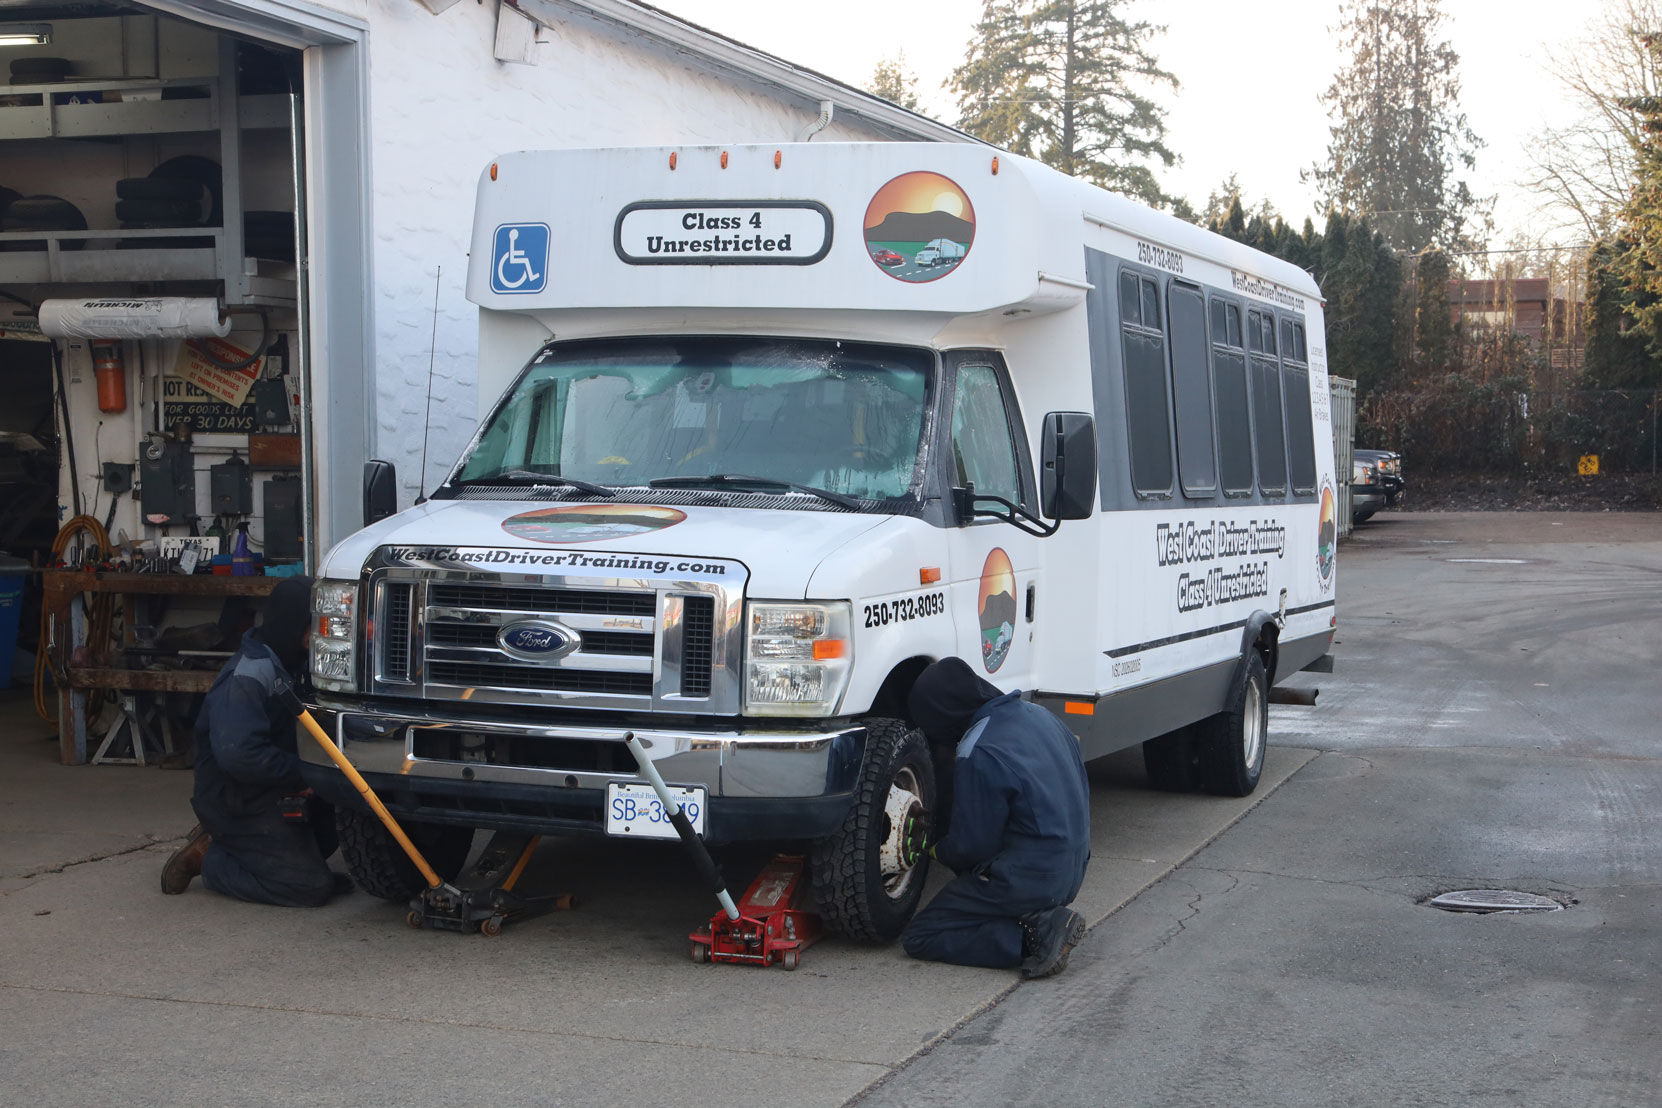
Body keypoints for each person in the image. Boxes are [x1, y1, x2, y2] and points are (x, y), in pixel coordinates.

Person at [160, 575, 348, 906]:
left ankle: (272, 860)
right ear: (291, 624)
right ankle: (212, 860)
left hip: (271, 789)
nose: (319, 634)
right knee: (310, 888)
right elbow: (240, 755)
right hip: (237, 801)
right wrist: (305, 774)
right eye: (313, 626)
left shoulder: (292, 663)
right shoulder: (247, 677)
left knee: (345, 816)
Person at [901, 657, 1091, 979]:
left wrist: (932, 849)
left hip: (1033, 878)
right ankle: (1037, 914)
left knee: (922, 935)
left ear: (940, 715)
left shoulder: (978, 750)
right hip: (1074, 867)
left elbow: (971, 847)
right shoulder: (1041, 715)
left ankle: (1035, 935)